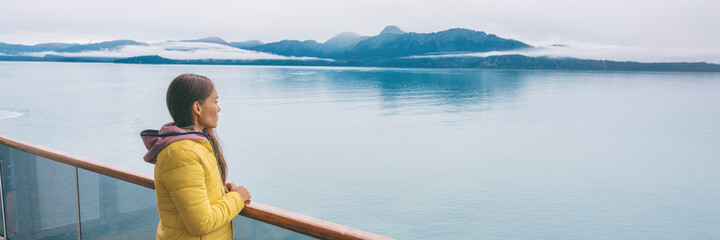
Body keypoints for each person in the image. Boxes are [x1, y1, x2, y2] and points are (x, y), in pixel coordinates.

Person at [141, 73, 251, 239]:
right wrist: (237, 198)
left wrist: (219, 191)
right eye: (215, 101)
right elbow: (201, 223)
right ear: (197, 108)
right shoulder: (181, 154)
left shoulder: (193, 146)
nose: (219, 108)